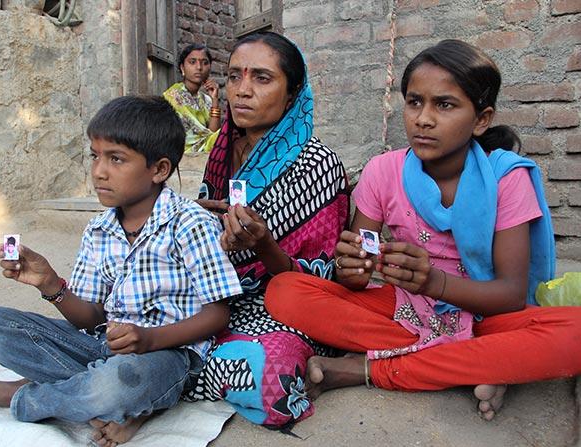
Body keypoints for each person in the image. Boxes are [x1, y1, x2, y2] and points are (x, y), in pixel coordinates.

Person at [265, 39, 581, 422]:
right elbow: (356, 277)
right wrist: (351, 269)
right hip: (406, 310)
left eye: (444, 105)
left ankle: (369, 369)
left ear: (481, 119)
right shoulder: (384, 171)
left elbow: (511, 295)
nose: (423, 119)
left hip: (485, 315)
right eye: (414, 102)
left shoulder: (506, 178)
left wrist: (435, 283)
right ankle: (481, 364)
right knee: (285, 290)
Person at [0, 96, 243, 446]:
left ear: (159, 170)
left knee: (120, 382)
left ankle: (23, 397)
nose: (98, 171)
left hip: (167, 354)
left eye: (116, 159)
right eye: (95, 155)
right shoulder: (98, 229)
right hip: (102, 344)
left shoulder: (191, 223)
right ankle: (118, 404)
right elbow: (90, 319)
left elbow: (218, 314)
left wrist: (149, 339)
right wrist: (50, 285)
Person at [186, 32, 350, 427]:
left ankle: (165, 369)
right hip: (210, 294)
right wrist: (192, 216)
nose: (242, 91)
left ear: (292, 93)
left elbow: (320, 280)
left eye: (261, 78)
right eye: (234, 77)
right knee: (123, 317)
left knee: (273, 376)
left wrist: (263, 246)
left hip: (275, 307)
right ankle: (165, 362)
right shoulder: (223, 150)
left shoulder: (317, 165)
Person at [163, 43, 221, 153]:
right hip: (183, 154)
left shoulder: (206, 100)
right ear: (182, 67)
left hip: (207, 151)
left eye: (205, 63)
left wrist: (214, 100)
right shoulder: (173, 96)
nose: (199, 67)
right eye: (192, 62)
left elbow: (213, 135)